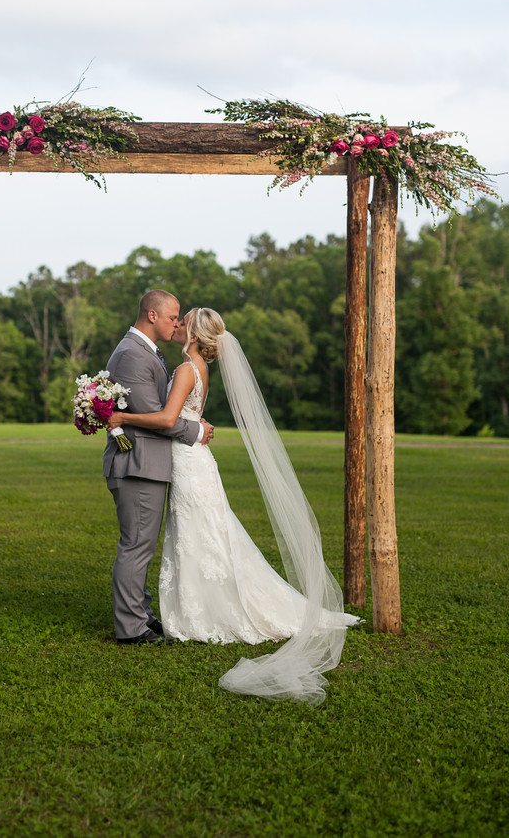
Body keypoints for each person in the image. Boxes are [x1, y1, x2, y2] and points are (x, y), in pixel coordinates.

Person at [107, 307, 361, 703]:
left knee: (201, 537)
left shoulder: (185, 370)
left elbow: (168, 417)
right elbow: (182, 417)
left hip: (188, 462)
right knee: (207, 536)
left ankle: (203, 613)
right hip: (192, 461)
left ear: (191, 331)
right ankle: (193, 608)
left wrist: (121, 414)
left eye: (182, 319)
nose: (175, 324)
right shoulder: (195, 368)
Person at [103, 289, 214, 646]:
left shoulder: (146, 351)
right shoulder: (133, 354)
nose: (176, 324)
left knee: (142, 544)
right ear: (152, 315)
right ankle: (131, 627)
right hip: (137, 463)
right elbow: (160, 417)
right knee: (136, 544)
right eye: (172, 318)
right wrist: (195, 429)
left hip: (147, 462)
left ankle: (141, 614)